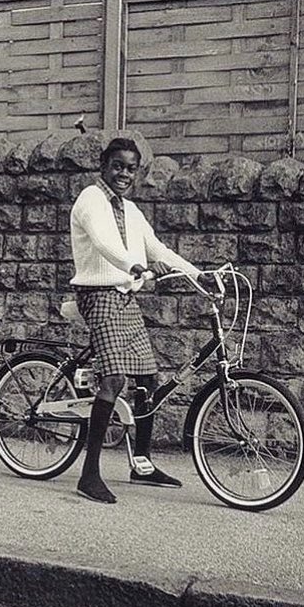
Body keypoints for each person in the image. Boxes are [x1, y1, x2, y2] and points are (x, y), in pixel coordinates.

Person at [68, 137, 206, 505]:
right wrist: (133, 266)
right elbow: (101, 241)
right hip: (98, 294)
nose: (124, 174)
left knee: (148, 377)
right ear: (104, 166)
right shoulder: (90, 199)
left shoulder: (130, 210)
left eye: (131, 168)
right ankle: (89, 474)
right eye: (117, 166)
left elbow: (157, 248)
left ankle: (141, 464)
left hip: (125, 295)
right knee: (113, 378)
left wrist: (200, 275)